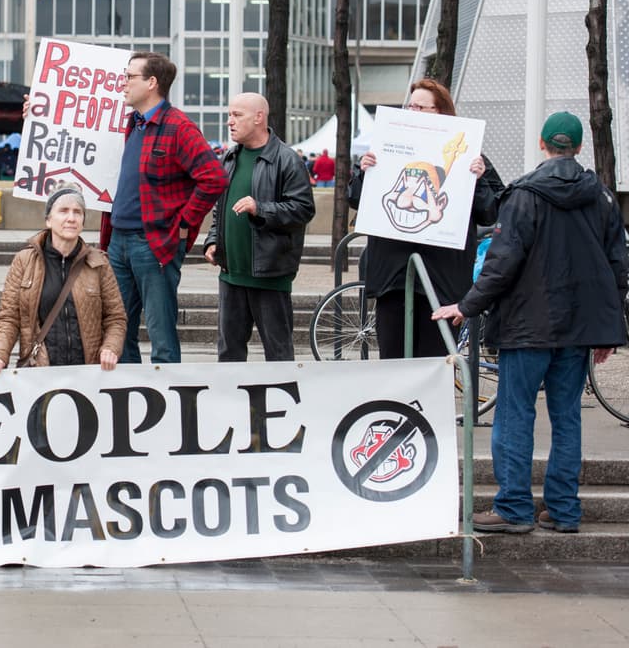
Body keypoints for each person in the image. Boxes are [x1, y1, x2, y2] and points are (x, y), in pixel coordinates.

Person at [432, 112, 628, 534]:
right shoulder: (603, 198)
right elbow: (618, 269)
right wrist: (609, 329)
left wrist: (467, 305)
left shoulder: (523, 195)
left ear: (542, 144)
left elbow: (501, 264)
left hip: (527, 326)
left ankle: (515, 508)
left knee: (515, 415)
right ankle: (563, 509)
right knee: (567, 416)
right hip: (578, 330)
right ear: (578, 147)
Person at [346, 79, 504, 358]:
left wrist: (477, 180)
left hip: (442, 280)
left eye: (420, 106)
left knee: (433, 364)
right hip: (393, 277)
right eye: (410, 105)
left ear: (441, 112)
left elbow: (490, 211)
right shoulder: (385, 149)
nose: (412, 110)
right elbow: (357, 200)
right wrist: (363, 173)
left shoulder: (468, 156)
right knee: (393, 364)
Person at [98, 51, 227, 364]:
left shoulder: (179, 127)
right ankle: (127, 393)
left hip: (154, 242)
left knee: (161, 332)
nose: (123, 83)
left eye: (130, 77)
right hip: (119, 241)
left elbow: (213, 178)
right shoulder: (133, 123)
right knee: (117, 328)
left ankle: (167, 401)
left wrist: (184, 223)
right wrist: (35, 112)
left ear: (152, 82)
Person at [202, 93, 315, 362]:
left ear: (259, 117)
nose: (230, 121)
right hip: (231, 275)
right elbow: (220, 209)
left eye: (237, 115)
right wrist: (212, 240)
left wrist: (260, 208)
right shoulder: (229, 158)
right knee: (228, 355)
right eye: (229, 114)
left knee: (278, 355)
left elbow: (303, 209)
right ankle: (230, 404)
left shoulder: (287, 159)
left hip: (270, 276)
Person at [0, 183, 126, 374]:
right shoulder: (24, 261)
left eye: (78, 212)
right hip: (39, 373)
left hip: (88, 374)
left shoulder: (98, 263)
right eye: (64, 211)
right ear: (48, 220)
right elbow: (9, 318)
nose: (71, 218)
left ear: (83, 221)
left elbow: (115, 318)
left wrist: (110, 348)